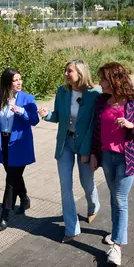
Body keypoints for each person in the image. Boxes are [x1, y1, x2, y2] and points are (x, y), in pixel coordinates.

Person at [90, 62, 134, 266]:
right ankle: (116, 232)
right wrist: (94, 154)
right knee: (114, 198)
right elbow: (96, 131)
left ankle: (116, 246)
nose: (99, 82)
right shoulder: (101, 101)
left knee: (119, 198)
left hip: (128, 158)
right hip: (107, 157)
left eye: (102, 78)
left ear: (114, 80)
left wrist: (131, 125)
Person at [38, 60, 101, 243]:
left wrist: (86, 150)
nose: (66, 74)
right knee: (66, 187)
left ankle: (93, 206)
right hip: (65, 143)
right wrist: (46, 114)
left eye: (69, 71)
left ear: (80, 73)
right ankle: (72, 228)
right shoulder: (62, 92)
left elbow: (92, 126)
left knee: (86, 183)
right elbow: (58, 116)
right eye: (65, 71)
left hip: (84, 145)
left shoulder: (94, 94)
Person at [0, 68, 39, 232]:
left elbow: (34, 120)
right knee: (14, 176)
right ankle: (24, 198)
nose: (19, 83)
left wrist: (21, 111)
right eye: (15, 80)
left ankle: (4, 215)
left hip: (19, 145)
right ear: (8, 82)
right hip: (3, 143)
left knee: (10, 179)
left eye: (20, 79)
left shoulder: (27, 99)